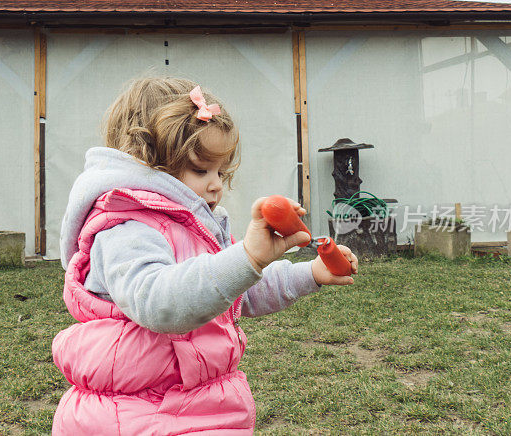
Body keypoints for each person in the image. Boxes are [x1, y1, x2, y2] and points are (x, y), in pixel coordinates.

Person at [52, 77, 358, 435]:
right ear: (147, 162)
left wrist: (310, 273)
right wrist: (245, 258)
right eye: (201, 170)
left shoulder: (197, 226)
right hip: (137, 416)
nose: (216, 184)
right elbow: (158, 302)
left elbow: (237, 292)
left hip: (197, 406)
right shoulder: (126, 227)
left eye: (220, 171)